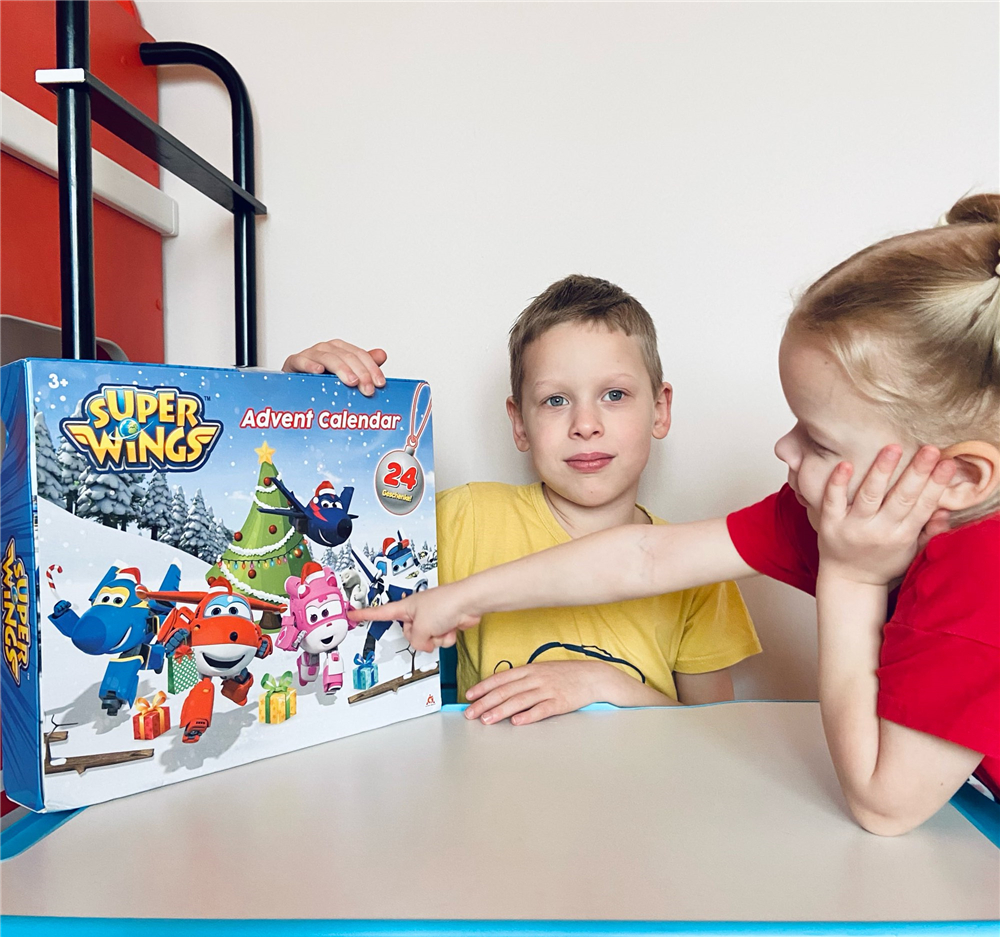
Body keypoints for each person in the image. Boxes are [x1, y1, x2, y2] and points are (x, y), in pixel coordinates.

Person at [354, 195, 1000, 836]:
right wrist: (460, 597)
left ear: (961, 479)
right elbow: (643, 557)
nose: (783, 447)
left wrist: (852, 577)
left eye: (819, 440)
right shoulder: (828, 513)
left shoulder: (982, 572)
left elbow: (886, 806)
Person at [283, 275, 761, 720]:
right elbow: (327, 564)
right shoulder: (466, 520)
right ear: (519, 424)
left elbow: (713, 738)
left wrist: (605, 686)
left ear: (659, 409)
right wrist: (299, 396)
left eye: (614, 395)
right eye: (556, 400)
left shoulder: (697, 572)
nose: (585, 424)